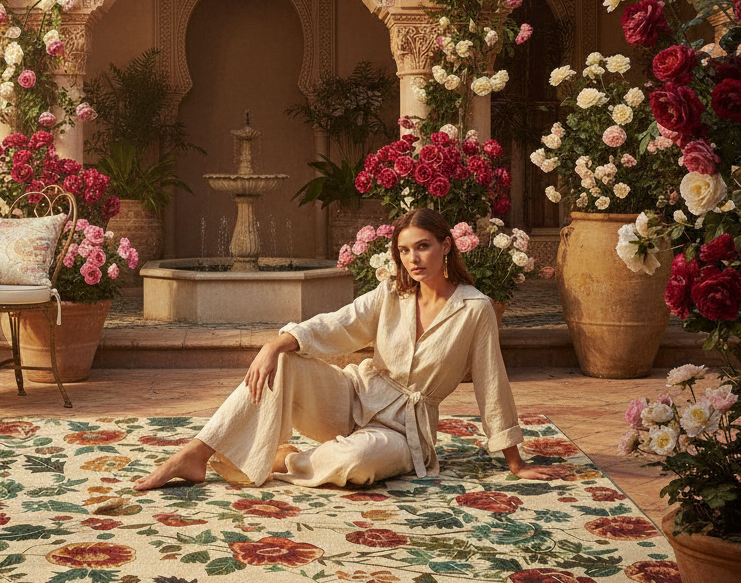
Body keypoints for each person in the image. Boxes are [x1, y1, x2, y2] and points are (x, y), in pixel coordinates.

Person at [134, 207, 552, 491]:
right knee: (284, 362)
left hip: (402, 431)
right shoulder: (392, 293)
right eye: (404, 250)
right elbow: (340, 323)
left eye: (423, 246)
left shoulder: (475, 309)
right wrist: (276, 343)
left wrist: (514, 462)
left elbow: (492, 382)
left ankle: (286, 459)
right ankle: (195, 453)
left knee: (357, 462)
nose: (413, 259)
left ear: (446, 246)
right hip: (353, 396)